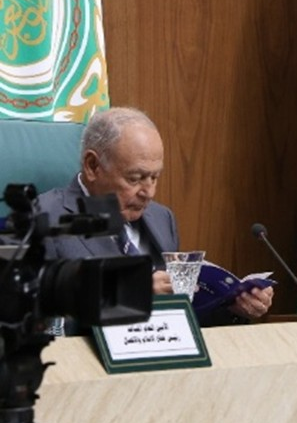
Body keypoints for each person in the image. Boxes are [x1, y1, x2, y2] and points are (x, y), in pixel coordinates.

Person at [38, 108, 274, 324]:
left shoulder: (162, 219)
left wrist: (231, 307)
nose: (148, 192)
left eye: (155, 177)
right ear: (92, 166)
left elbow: (179, 315)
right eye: (135, 178)